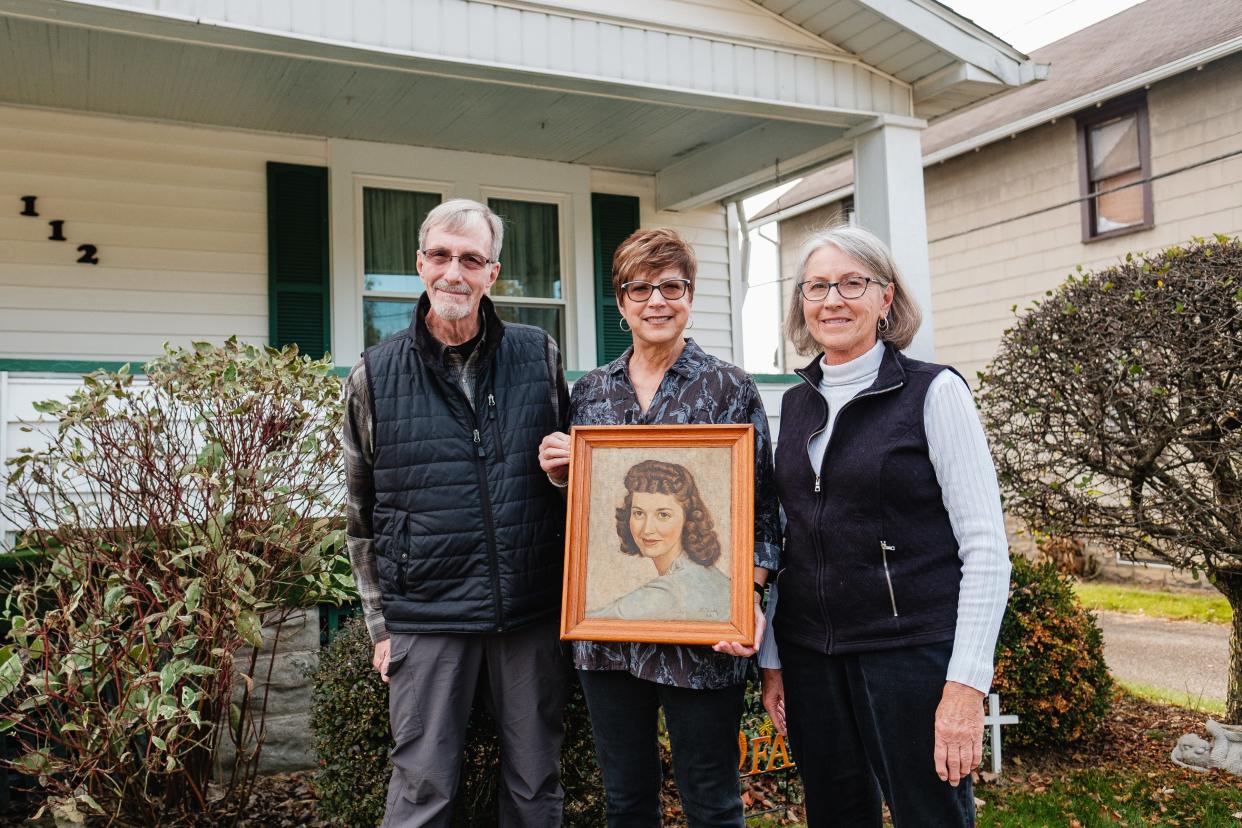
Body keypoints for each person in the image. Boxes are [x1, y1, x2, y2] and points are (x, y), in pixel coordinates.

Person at [758, 225, 1011, 827]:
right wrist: (774, 658)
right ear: (801, 303)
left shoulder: (933, 392)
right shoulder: (796, 404)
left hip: (909, 653)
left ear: (885, 298)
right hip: (813, 656)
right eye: (817, 286)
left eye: (852, 283)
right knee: (838, 814)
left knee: (931, 815)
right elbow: (790, 539)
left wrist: (966, 686)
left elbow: (985, 547)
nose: (832, 299)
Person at [539, 227, 781, 828]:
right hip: (609, 631)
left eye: (671, 286)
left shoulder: (729, 388)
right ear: (620, 303)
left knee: (712, 797)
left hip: (705, 631)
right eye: (640, 288)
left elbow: (765, 510)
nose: (657, 301)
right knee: (626, 800)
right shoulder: (590, 393)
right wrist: (564, 475)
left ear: (690, 295)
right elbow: (585, 515)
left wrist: (749, 596)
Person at [342, 198, 570, 827]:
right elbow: (361, 512)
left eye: (471, 259)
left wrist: (567, 473)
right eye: (441, 255)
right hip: (427, 611)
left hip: (529, 608)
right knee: (422, 791)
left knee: (534, 785)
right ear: (420, 263)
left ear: (492, 274)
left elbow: (572, 482)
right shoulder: (374, 373)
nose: (454, 272)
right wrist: (381, 627)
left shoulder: (538, 355)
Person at [587, 460, 730, 622]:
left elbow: (584, 624)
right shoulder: (703, 572)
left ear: (687, 519)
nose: (647, 529)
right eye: (639, 513)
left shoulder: (667, 593)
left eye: (663, 515)